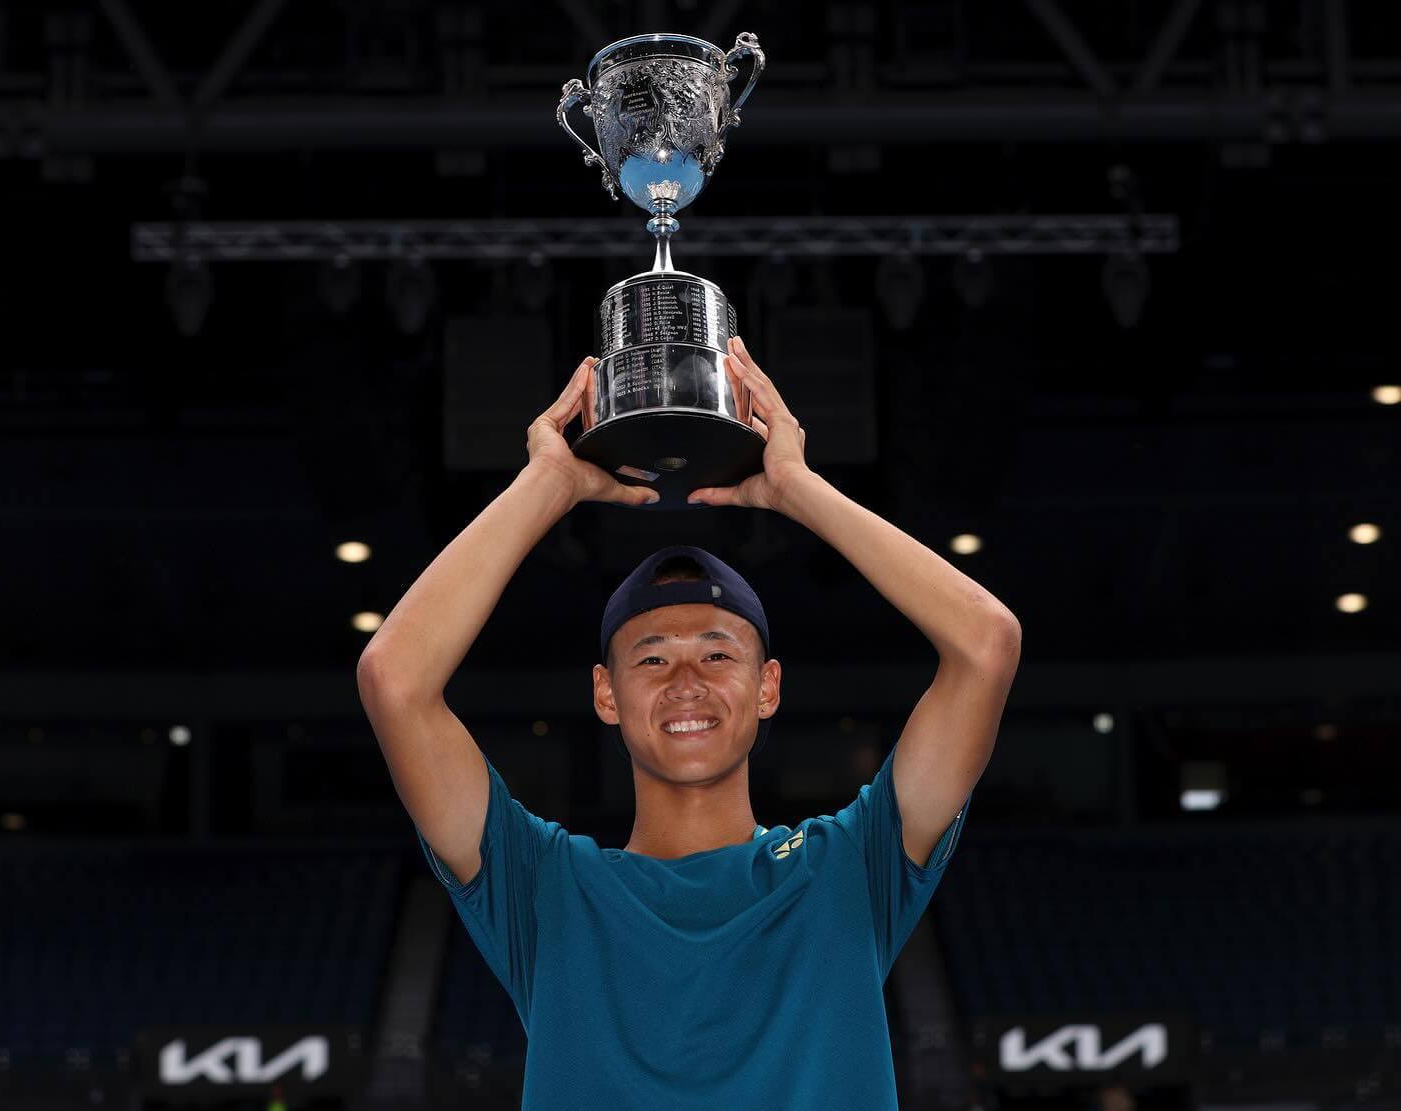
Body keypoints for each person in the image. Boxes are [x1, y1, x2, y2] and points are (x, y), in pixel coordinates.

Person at [358, 335, 1022, 1110]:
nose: (685, 683)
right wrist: (546, 483)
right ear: (605, 695)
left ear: (768, 686)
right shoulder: (546, 887)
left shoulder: (847, 869)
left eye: (716, 654)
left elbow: (986, 643)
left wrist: (800, 489)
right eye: (651, 659)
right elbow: (394, 679)